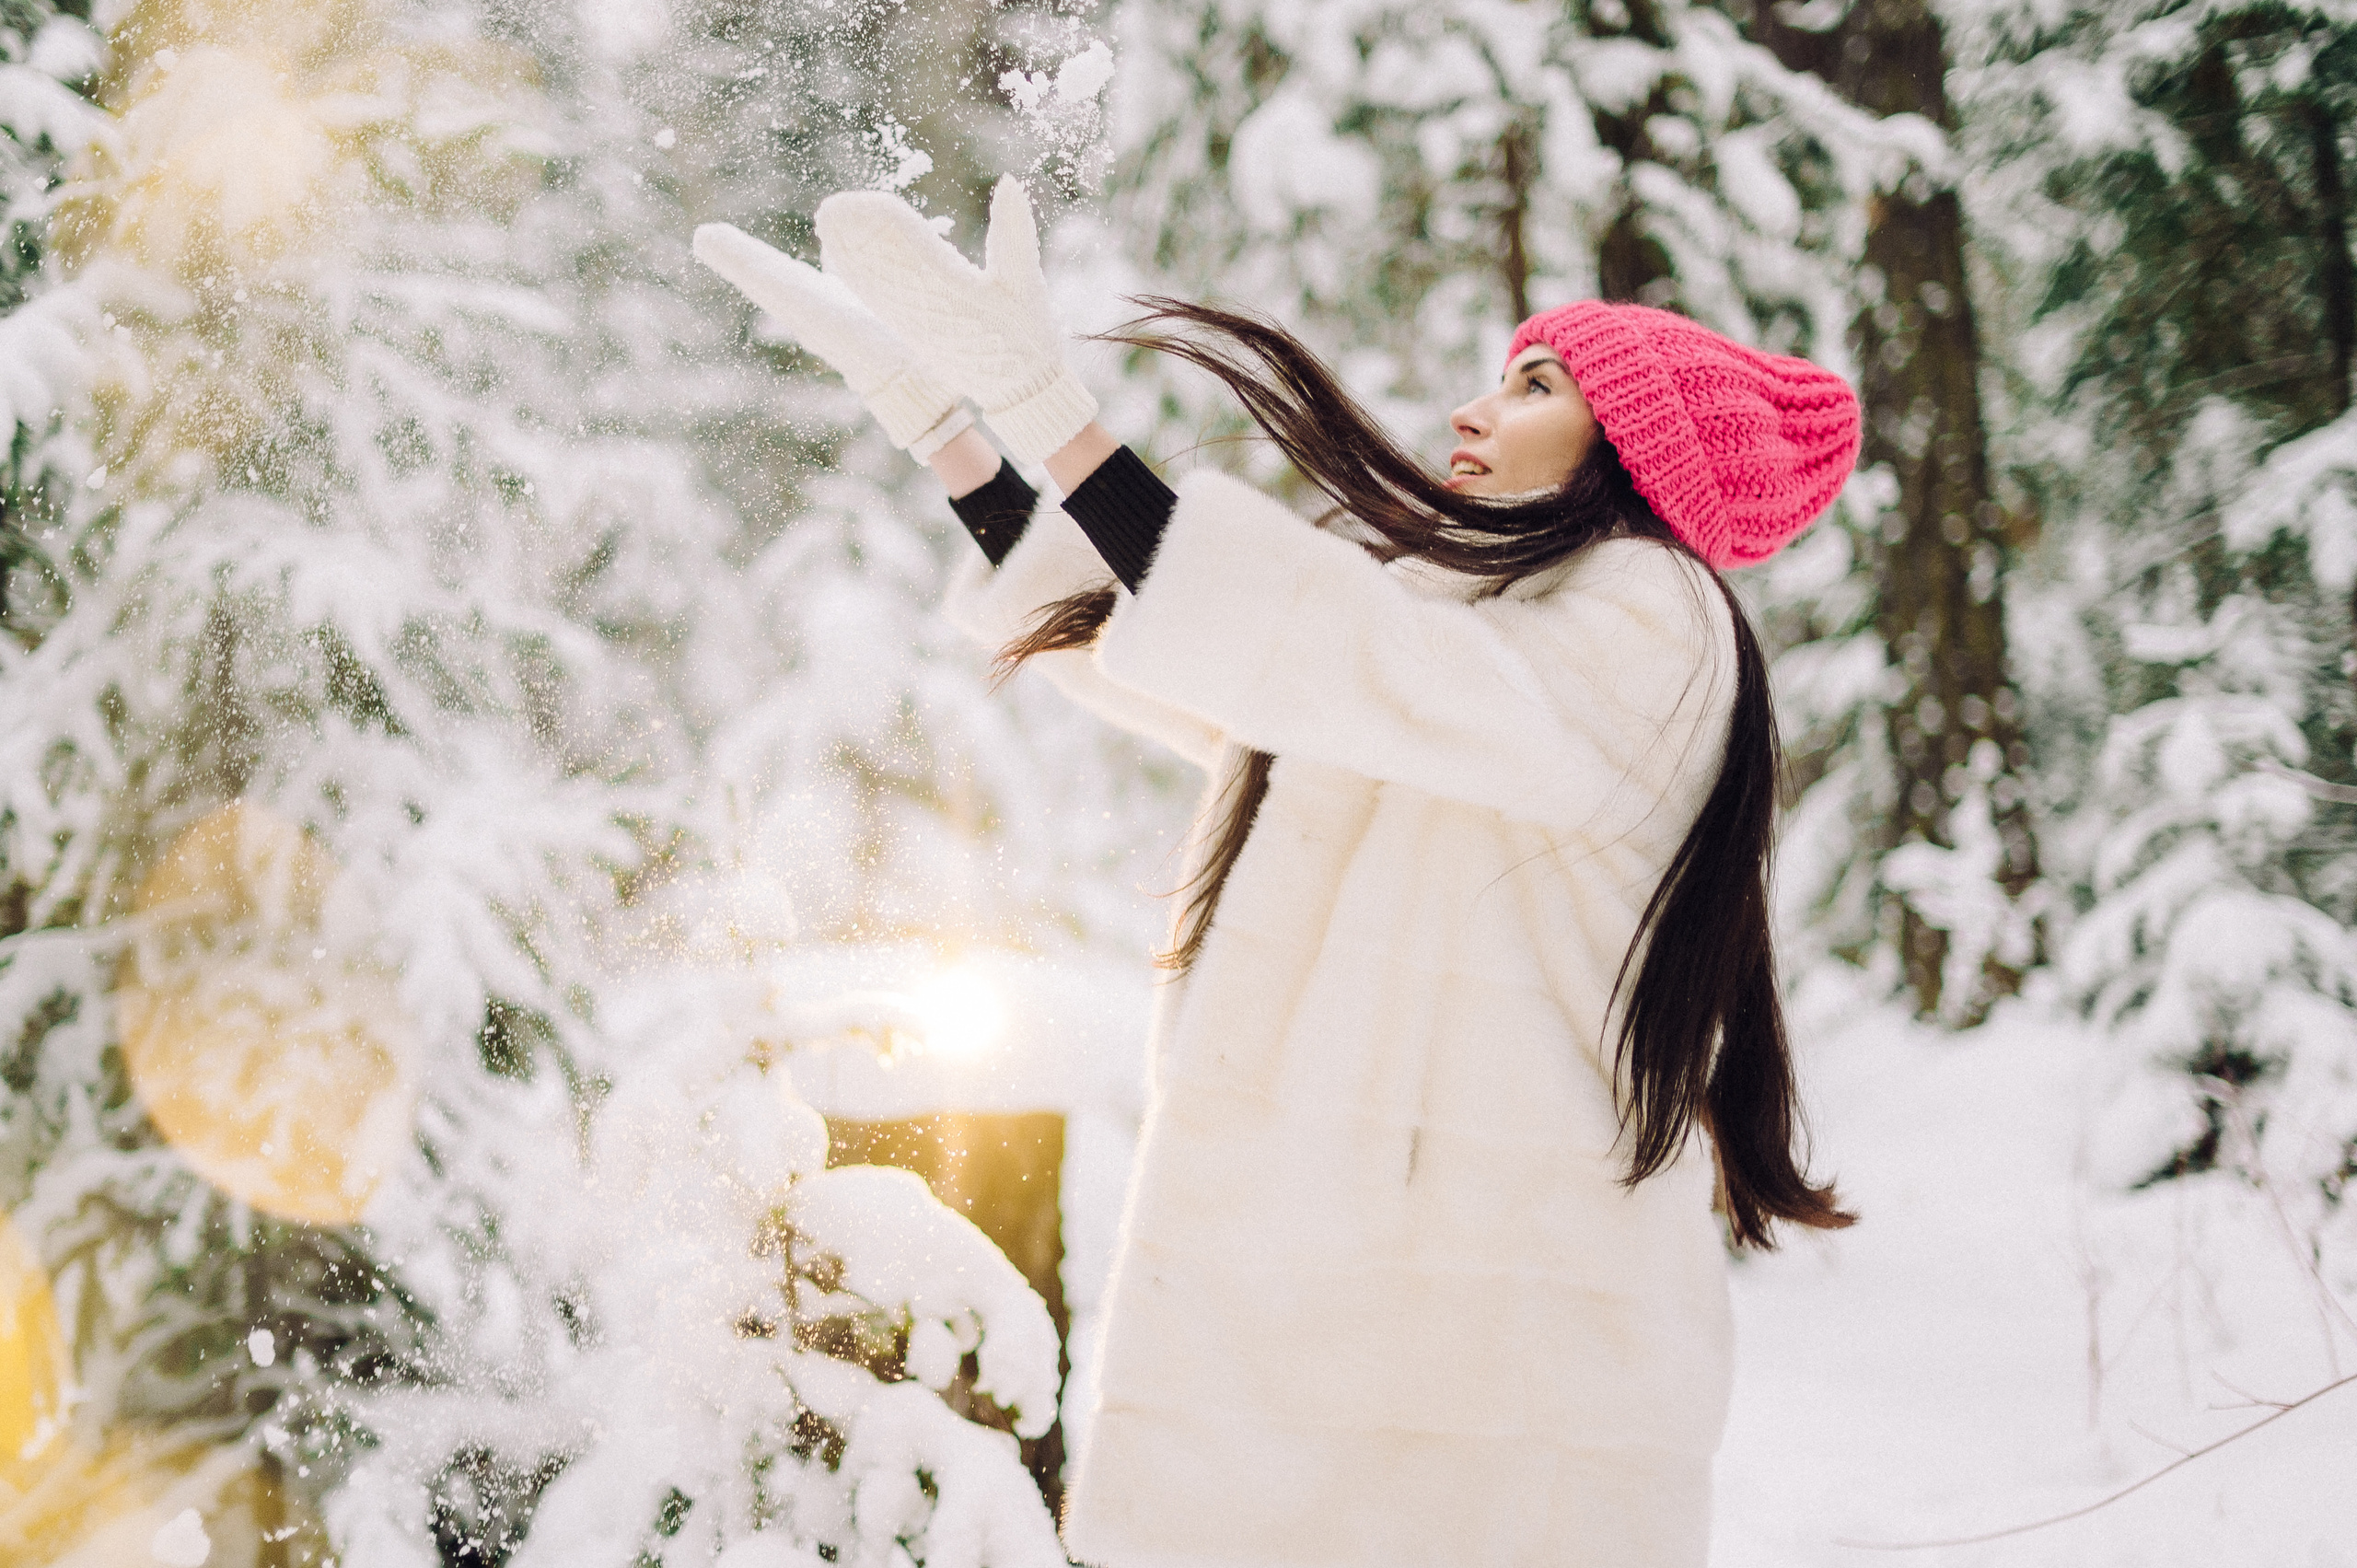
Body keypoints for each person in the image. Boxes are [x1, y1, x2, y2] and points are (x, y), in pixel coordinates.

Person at [694, 177, 1863, 1568]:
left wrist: (1060, 417)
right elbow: (1209, 662)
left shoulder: (1650, 620)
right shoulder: (1478, 640)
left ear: (1633, 449)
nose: (1473, 415)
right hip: (1347, 1320)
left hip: (1494, 1362)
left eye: (1536, 385)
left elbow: (1335, 658)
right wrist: (952, 434)